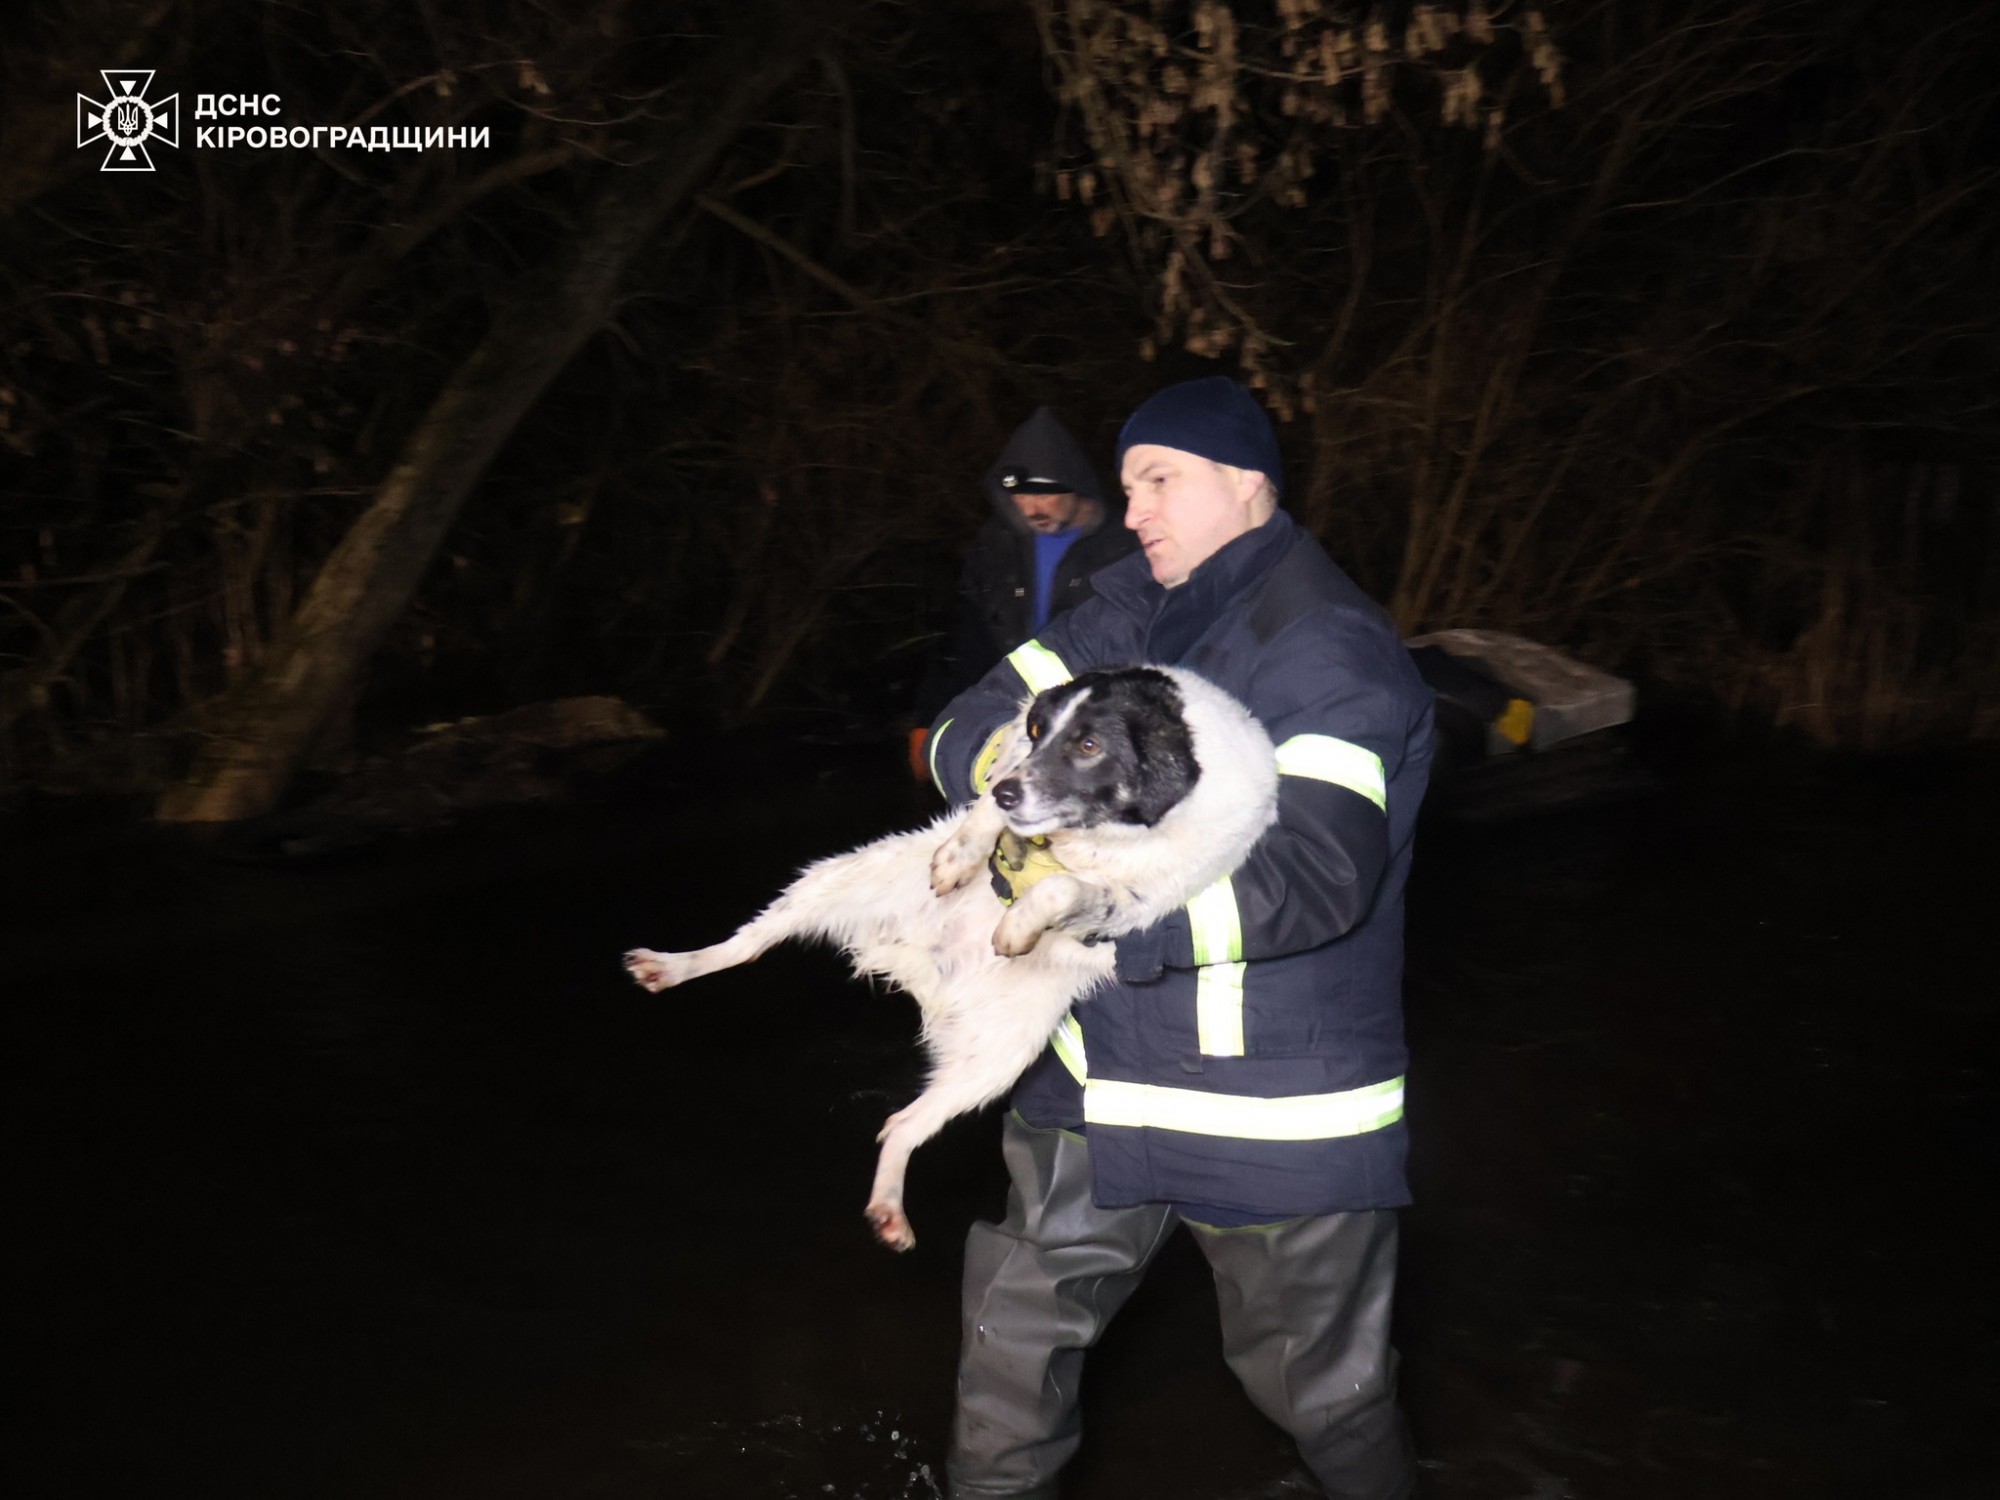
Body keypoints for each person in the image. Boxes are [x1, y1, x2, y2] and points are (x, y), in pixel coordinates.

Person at [925, 377, 1435, 1500]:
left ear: (1248, 485)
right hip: (1093, 1075)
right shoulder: (1118, 614)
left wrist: (1089, 909)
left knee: (1326, 1399)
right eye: (1127, 484)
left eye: (1161, 479)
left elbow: (1316, 876)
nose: (1134, 507)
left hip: (1269, 1110)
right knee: (1009, 1349)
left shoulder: (1329, 649)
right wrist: (1017, 802)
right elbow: (970, 723)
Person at [908, 408, 1138, 779]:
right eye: (1020, 495)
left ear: (1075, 484)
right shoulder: (998, 545)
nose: (1031, 507)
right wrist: (930, 717)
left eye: (1044, 494)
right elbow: (967, 636)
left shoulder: (1127, 548)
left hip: (1088, 732)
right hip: (1006, 723)